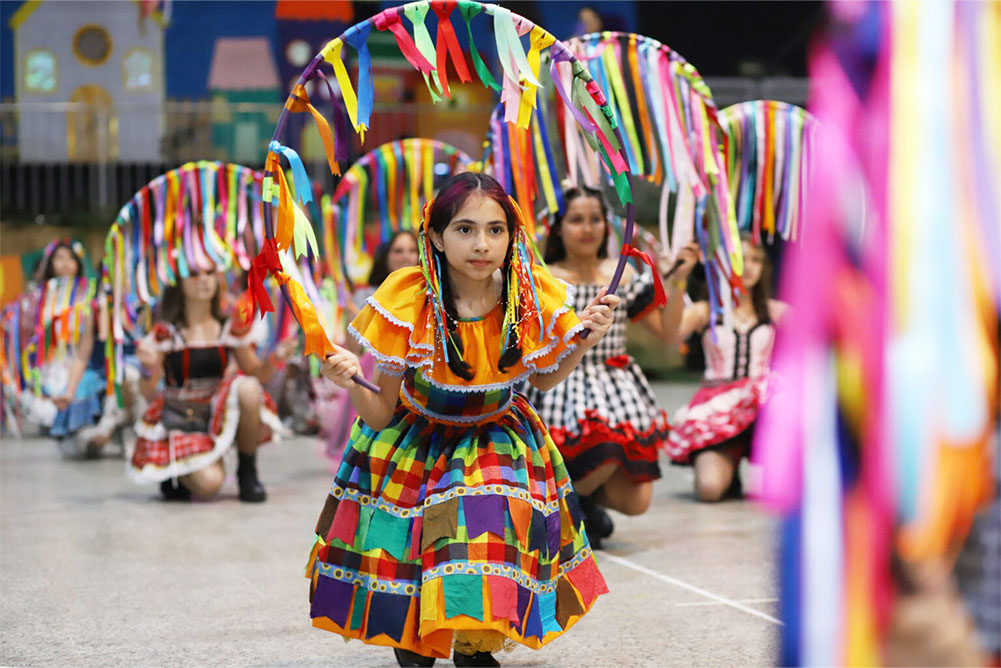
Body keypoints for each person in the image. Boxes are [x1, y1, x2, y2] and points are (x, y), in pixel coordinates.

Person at [309, 173, 618, 667]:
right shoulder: (407, 299)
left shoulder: (530, 291)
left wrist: (584, 341)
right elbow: (380, 411)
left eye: (497, 230)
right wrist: (348, 382)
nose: (482, 245)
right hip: (417, 436)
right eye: (466, 229)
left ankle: (474, 646)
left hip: (497, 433)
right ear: (435, 236)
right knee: (411, 550)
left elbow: (542, 380)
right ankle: (414, 637)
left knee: (483, 529)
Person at [523, 186, 685, 548]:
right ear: (558, 227)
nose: (587, 228)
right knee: (606, 446)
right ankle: (555, 511)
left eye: (595, 219)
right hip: (559, 385)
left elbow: (669, 333)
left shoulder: (623, 273)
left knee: (637, 501)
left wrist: (678, 279)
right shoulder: (543, 277)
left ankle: (577, 509)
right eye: (576, 220)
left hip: (614, 386)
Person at [131, 268, 294, 502]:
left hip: (217, 414)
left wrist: (276, 357)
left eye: (209, 273)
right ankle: (172, 469)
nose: (204, 280)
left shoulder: (229, 327)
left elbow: (257, 375)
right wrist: (147, 368)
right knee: (210, 485)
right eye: (195, 273)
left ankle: (248, 472)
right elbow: (147, 391)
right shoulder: (166, 333)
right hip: (182, 419)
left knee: (248, 388)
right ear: (179, 283)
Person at [664, 233, 787, 502]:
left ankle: (770, 463)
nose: (750, 266)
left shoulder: (775, 311)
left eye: (756, 259)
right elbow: (670, 334)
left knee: (785, 487)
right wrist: (678, 280)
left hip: (764, 409)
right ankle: (728, 471)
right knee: (709, 490)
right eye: (741, 258)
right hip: (717, 408)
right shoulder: (705, 311)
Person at [323, 229, 419, 463]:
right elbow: (353, 347)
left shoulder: (428, 292)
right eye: (398, 251)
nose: (406, 256)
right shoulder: (366, 294)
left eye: (411, 250)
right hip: (371, 371)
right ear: (386, 256)